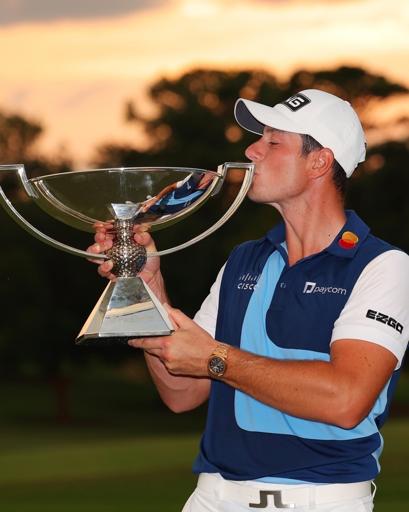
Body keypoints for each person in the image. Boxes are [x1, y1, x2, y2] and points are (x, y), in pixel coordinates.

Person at [88, 89, 409, 511]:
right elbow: (182, 392)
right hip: (213, 496)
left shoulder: (383, 266)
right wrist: (147, 286)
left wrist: (216, 357)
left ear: (319, 162)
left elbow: (346, 400)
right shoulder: (245, 260)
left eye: (273, 142)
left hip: (321, 500)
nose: (252, 150)